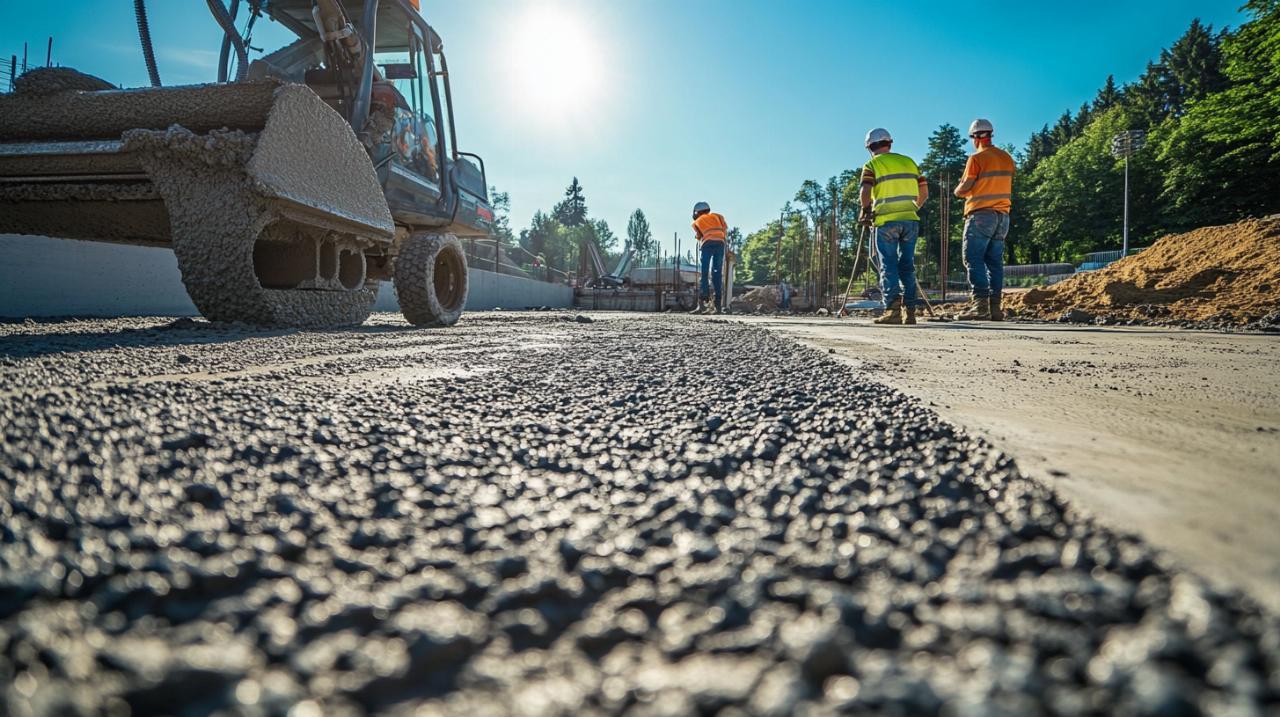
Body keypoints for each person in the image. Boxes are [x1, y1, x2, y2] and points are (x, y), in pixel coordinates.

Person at [859, 128, 928, 325]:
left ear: (870, 147)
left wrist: (865, 209)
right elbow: (924, 191)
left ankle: (892, 311)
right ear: (890, 143)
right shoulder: (910, 162)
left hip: (886, 221)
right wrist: (914, 207)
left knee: (888, 266)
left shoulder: (872, 164)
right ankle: (911, 312)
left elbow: (865, 190)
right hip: (910, 221)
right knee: (907, 266)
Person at [953, 118, 1015, 321]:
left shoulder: (976, 158)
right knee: (995, 263)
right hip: (1002, 216)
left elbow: (965, 188)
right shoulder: (1006, 157)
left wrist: (957, 189)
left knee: (973, 258)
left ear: (976, 137)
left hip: (981, 215)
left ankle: (980, 306)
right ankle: (995, 308)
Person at [691, 202, 728, 314]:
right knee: (717, 274)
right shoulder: (719, 217)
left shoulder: (697, 222)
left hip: (707, 244)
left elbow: (699, 236)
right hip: (720, 244)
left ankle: (702, 302)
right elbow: (725, 229)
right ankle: (718, 307)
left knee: (704, 272)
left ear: (697, 212)